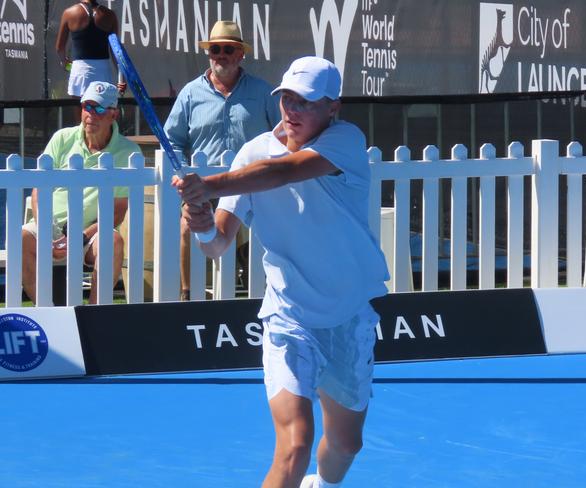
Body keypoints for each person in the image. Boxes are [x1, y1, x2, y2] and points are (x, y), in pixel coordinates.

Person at [173, 56, 389, 488]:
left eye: (305, 102)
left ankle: (323, 485)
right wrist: (201, 226)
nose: (292, 110)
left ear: (333, 108)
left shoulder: (346, 140)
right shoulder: (252, 153)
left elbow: (283, 173)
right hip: (288, 319)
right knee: (294, 446)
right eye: (287, 99)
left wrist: (210, 185)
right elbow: (218, 242)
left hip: (348, 316)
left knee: (346, 446)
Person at [163, 20, 280, 300]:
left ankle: (263, 294)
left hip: (251, 185)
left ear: (241, 54)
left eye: (228, 49)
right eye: (215, 49)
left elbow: (281, 136)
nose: (221, 55)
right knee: (186, 226)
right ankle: (188, 295)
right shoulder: (191, 93)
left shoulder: (263, 92)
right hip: (205, 185)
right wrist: (180, 171)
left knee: (266, 232)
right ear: (209, 53)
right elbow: (172, 140)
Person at [22, 81, 141, 305]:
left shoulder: (129, 152)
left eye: (98, 109)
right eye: (87, 106)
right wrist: (48, 232)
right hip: (49, 227)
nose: (90, 114)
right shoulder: (62, 138)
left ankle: (93, 317)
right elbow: (39, 191)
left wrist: (81, 236)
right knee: (20, 239)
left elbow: (117, 213)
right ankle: (50, 314)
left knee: (113, 241)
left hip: (92, 233)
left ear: (113, 115)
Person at [55, 0, 126, 97]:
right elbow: (116, 51)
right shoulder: (110, 15)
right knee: (102, 111)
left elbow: (59, 48)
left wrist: (64, 62)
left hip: (80, 73)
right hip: (103, 72)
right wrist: (122, 78)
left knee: (81, 111)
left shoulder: (69, 13)